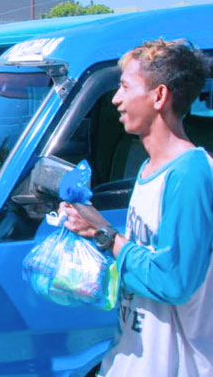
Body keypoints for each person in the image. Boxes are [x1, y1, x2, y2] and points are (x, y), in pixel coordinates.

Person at [61, 39, 212, 376]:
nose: (116, 99)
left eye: (126, 87)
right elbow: (144, 254)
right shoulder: (147, 168)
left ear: (159, 96)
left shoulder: (190, 174)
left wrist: (104, 234)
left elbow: (173, 281)